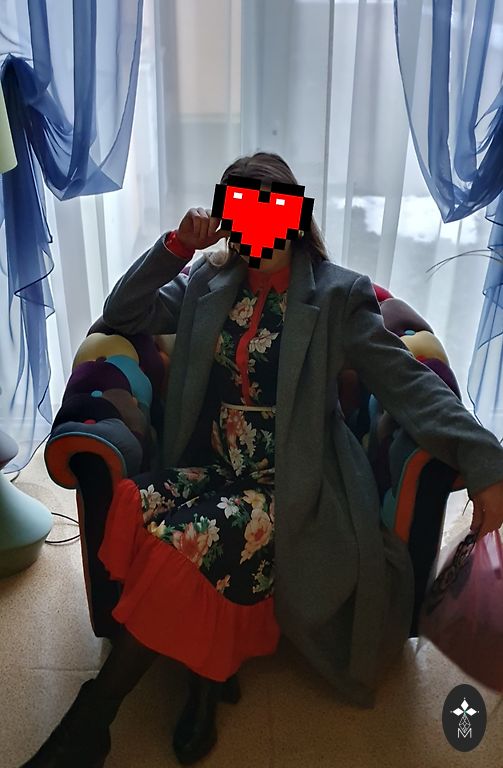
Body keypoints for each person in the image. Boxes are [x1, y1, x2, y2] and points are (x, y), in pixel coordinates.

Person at [23, 152, 503, 767]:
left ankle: (92, 721)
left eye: (270, 212)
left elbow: (412, 386)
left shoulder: (337, 296)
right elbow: (121, 314)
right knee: (132, 507)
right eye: (242, 213)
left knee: (180, 541)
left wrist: (486, 462)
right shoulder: (208, 281)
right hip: (219, 466)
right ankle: (205, 678)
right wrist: (177, 247)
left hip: (293, 482)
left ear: (295, 217)